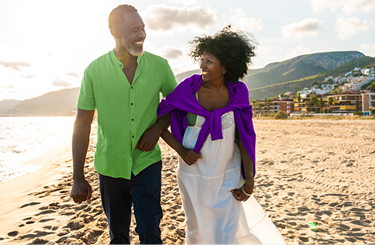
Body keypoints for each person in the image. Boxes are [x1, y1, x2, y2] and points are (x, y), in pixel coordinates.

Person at [157, 26, 286, 244]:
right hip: (193, 172)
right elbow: (161, 120)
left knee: (228, 230)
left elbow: (245, 136)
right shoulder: (189, 87)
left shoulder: (238, 91)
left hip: (228, 171)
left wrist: (250, 179)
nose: (202, 65)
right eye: (202, 59)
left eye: (209, 61)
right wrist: (181, 150)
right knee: (196, 228)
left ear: (225, 67)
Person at [70, 4, 177, 245]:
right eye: (134, 29)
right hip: (110, 165)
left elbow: (177, 105)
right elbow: (83, 123)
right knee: (118, 235)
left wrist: (157, 128)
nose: (141, 34)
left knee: (151, 230)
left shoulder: (160, 66)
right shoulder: (94, 71)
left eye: (143, 28)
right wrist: (78, 176)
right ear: (116, 32)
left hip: (147, 163)